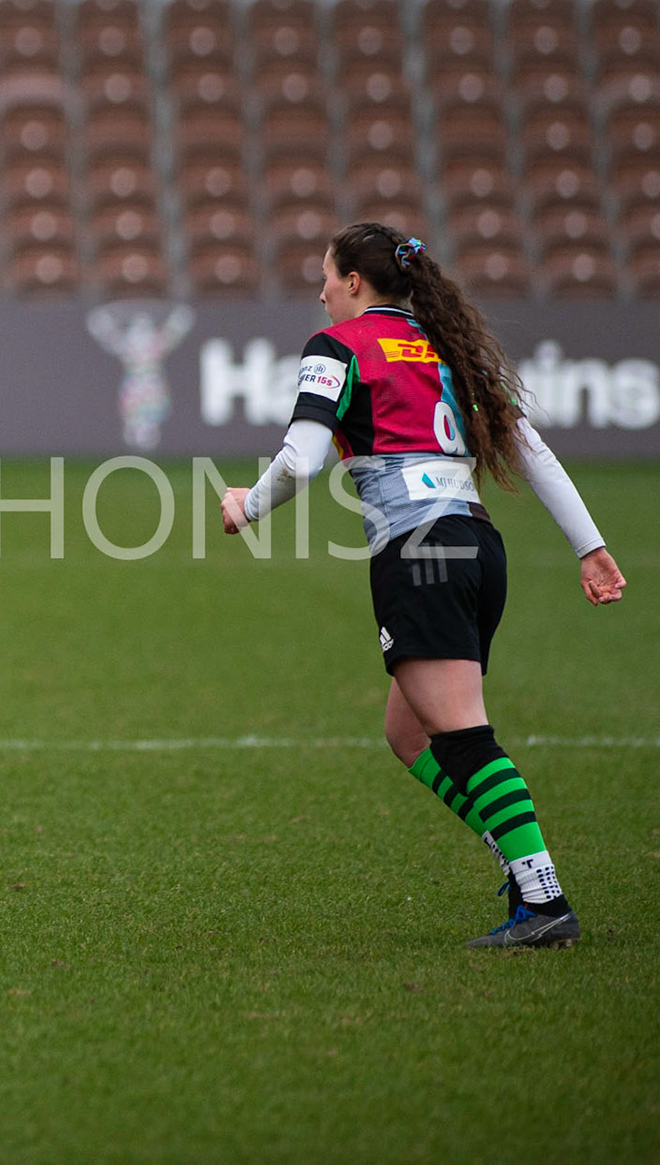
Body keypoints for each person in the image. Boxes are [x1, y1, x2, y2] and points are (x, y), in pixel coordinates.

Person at [220, 222, 626, 949]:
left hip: (421, 552)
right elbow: (533, 453)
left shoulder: (337, 348)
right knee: (408, 733)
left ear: (354, 283)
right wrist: (590, 547)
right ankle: (523, 868)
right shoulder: (449, 344)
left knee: (464, 736)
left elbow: (304, 458)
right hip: (476, 545)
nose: (319, 292)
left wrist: (247, 504)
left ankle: (544, 901)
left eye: (326, 277)